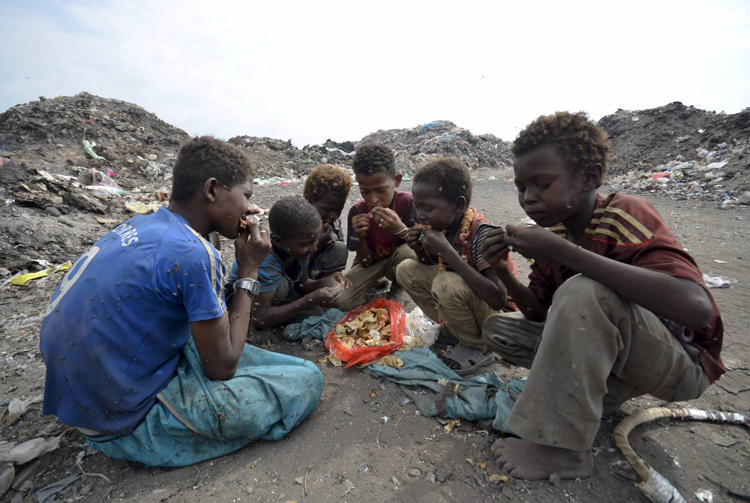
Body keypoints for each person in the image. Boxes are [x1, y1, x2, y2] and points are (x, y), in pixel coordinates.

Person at [39, 137, 324, 467]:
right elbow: (221, 367)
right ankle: (159, 434)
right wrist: (249, 270)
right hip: (121, 419)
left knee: (219, 338)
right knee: (307, 380)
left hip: (83, 396)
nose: (250, 208)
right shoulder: (193, 253)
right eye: (246, 196)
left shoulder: (143, 224)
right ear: (212, 190)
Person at [480, 112, 724, 480]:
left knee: (583, 291)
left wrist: (566, 253)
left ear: (590, 177)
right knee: (500, 329)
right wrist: (503, 270)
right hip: (627, 348)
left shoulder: (624, 214)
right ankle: (600, 395)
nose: (528, 198)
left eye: (542, 184)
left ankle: (565, 450)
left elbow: (696, 308)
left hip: (683, 362)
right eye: (521, 187)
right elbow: (538, 313)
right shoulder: (555, 233)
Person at [395, 157, 517, 374]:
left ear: (459, 205)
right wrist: (420, 250)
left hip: (499, 321)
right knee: (406, 269)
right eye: (417, 206)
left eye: (428, 208)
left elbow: (498, 298)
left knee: (446, 283)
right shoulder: (443, 228)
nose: (420, 215)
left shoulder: (482, 233)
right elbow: (436, 268)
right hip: (470, 301)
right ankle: (455, 331)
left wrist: (448, 253)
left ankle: (478, 345)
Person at [227, 196, 350, 330]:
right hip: (243, 303)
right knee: (284, 287)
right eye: (305, 244)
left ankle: (278, 313)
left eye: (315, 241)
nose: (314, 248)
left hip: (270, 297)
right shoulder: (266, 262)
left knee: (317, 313)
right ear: (278, 241)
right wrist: (311, 299)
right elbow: (260, 318)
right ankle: (257, 325)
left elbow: (303, 284)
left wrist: (328, 281)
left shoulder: (299, 250)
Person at [338, 143, 417, 310]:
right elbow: (365, 262)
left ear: (397, 181)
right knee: (342, 301)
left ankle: (398, 288)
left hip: (399, 262)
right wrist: (360, 237)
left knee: (409, 252)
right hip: (371, 265)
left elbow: (423, 246)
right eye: (365, 191)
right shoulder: (357, 212)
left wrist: (401, 229)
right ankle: (375, 284)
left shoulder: (407, 202)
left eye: (381, 190)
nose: (373, 199)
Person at [302, 164, 353, 280]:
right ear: (310, 200)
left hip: (316, 271)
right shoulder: (298, 221)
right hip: (294, 276)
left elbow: (340, 248)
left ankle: (327, 282)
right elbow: (291, 262)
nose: (334, 215)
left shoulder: (334, 223)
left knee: (340, 248)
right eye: (327, 209)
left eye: (338, 210)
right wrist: (319, 244)